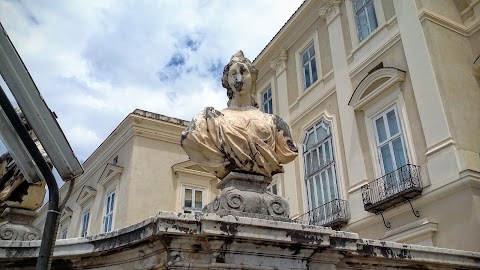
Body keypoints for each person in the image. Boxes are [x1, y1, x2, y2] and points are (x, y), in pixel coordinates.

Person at [181, 51, 297, 179]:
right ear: (227, 81)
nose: (239, 78)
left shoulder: (274, 123)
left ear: (252, 78)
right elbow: (189, 140)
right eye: (233, 74)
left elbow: (289, 152)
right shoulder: (208, 121)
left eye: (243, 72)